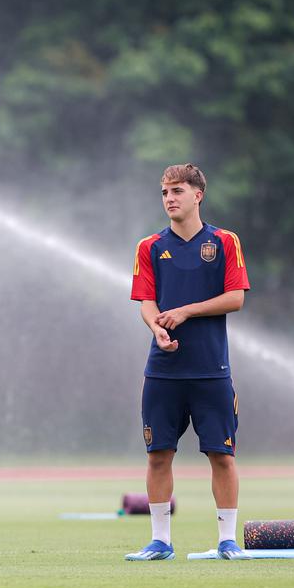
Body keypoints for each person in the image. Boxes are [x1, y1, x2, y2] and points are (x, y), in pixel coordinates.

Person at [126, 163, 252, 562]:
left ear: (198, 195)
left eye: (177, 191)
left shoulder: (225, 241)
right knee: (158, 454)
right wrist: (156, 328)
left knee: (222, 455)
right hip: (163, 370)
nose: (169, 199)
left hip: (211, 369)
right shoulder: (149, 246)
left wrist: (185, 312)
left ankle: (227, 541)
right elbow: (147, 301)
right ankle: (160, 541)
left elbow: (236, 298)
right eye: (164, 193)